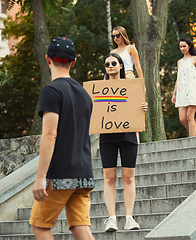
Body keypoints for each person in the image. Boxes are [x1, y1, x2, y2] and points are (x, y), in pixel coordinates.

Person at [29, 37, 95, 240]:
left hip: (60, 174)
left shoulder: (52, 90)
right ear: (73, 62)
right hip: (83, 173)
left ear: (48, 59)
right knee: (80, 227)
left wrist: (41, 178)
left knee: (40, 227)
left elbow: (50, 135)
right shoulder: (85, 95)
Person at [101, 53, 148, 232]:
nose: (110, 66)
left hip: (128, 135)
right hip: (107, 136)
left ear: (121, 65)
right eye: (107, 64)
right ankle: (111, 218)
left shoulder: (132, 86)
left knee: (128, 177)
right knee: (109, 177)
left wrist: (143, 108)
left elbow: (138, 108)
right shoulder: (99, 89)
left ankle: (129, 218)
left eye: (114, 63)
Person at [171, 37, 196, 137]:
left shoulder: (195, 59)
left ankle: (193, 141)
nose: (182, 48)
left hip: (193, 90)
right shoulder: (179, 62)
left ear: (189, 46)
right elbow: (178, 79)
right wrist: (174, 94)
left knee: (189, 116)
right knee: (182, 118)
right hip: (182, 92)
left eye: (184, 46)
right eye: (180, 47)